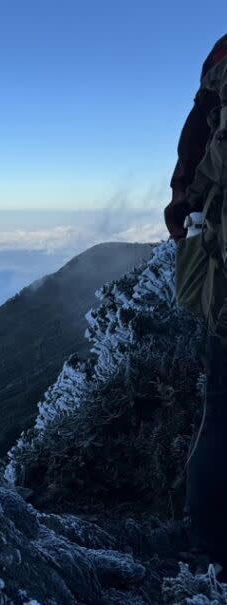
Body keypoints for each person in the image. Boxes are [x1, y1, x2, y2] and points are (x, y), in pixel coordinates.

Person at [169, 34, 227, 570]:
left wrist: (181, 221)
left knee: (222, 411)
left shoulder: (215, 79)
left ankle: (207, 547)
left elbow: (187, 170)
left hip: (221, 275)